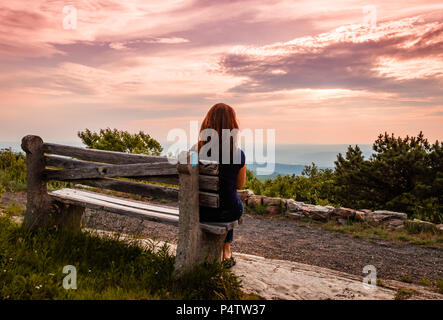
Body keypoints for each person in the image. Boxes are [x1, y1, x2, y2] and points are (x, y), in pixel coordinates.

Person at [197, 103, 246, 268]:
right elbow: (240, 184)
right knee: (230, 198)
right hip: (227, 212)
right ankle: (226, 249)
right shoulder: (238, 154)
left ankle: (220, 248)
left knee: (224, 198)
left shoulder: (195, 151)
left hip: (201, 211)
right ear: (233, 127)